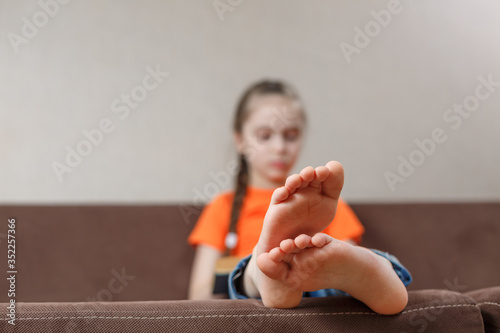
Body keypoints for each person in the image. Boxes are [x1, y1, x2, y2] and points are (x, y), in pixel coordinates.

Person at [188, 80, 411, 314]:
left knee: (329, 267)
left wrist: (336, 265)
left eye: (290, 136)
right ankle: (263, 274)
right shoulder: (223, 206)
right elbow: (199, 295)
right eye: (265, 136)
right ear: (240, 141)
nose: (280, 147)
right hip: (250, 291)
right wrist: (258, 265)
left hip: (317, 287)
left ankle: (374, 277)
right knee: (260, 266)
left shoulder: (321, 200)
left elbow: (346, 257)